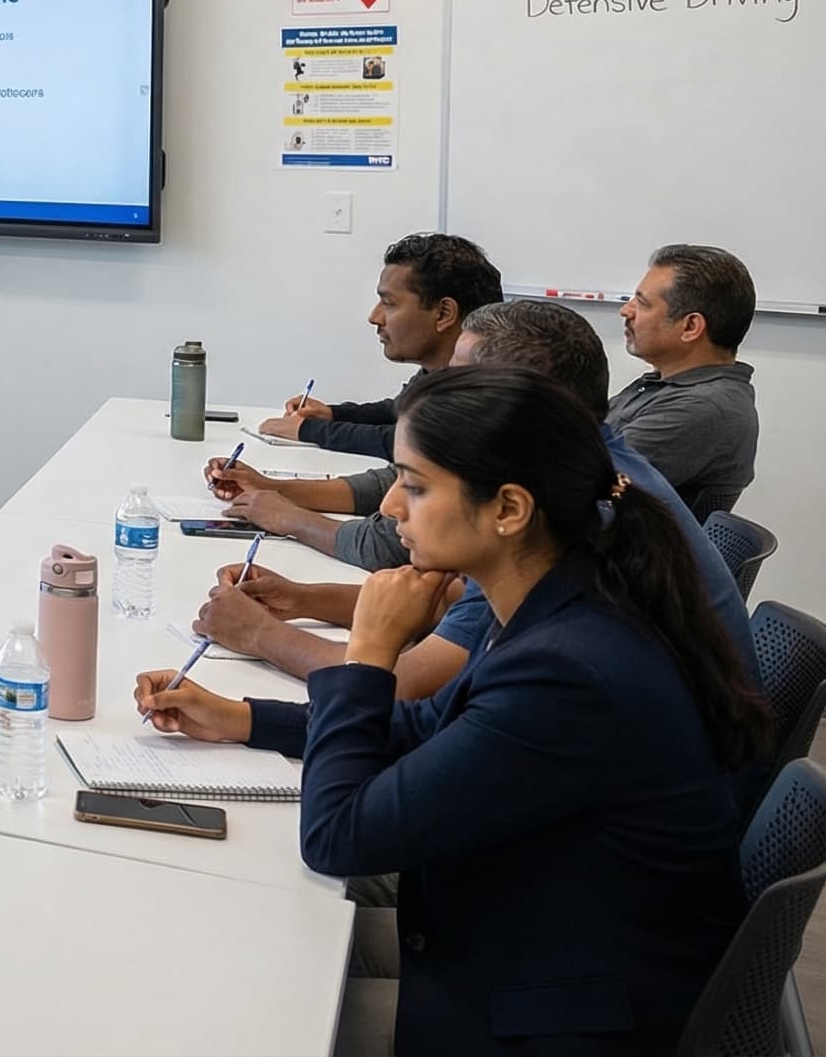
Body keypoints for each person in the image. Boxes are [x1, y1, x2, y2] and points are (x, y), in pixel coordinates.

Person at [137, 367, 764, 1056]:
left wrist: (371, 653)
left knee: (233, 998)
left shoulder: (569, 668)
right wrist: (246, 718)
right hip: (541, 950)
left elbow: (338, 837)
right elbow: (433, 728)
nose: (393, 512)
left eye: (416, 486)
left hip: (557, 1017)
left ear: (509, 510)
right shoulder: (564, 597)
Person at [194, 299, 753, 702]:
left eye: (458, 379)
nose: (432, 390)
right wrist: (302, 599)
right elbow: (452, 604)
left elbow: (404, 688)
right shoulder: (591, 470)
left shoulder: (564, 513)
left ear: (511, 400)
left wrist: (260, 635)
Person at [256, 232, 502, 457]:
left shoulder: (487, 388)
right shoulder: (442, 370)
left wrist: (309, 430)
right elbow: (399, 409)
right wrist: (333, 414)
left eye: (389, 303)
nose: (374, 317)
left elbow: (410, 441)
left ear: (443, 313)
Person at [612, 242, 760, 520]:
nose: (626, 311)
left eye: (642, 303)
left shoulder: (702, 408)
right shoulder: (665, 385)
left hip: (618, 558)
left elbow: (585, 484)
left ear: (691, 327)